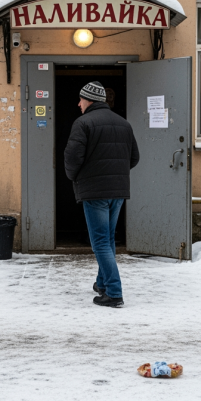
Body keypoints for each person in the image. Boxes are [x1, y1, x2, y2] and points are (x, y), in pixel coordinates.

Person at [64, 81, 140, 308]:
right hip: (118, 191)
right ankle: (103, 284)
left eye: (81, 100)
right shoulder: (123, 124)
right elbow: (134, 158)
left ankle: (114, 293)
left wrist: (75, 176)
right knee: (107, 238)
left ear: (90, 100)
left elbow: (71, 159)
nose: (78, 104)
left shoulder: (83, 123)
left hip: (95, 191)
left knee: (99, 242)